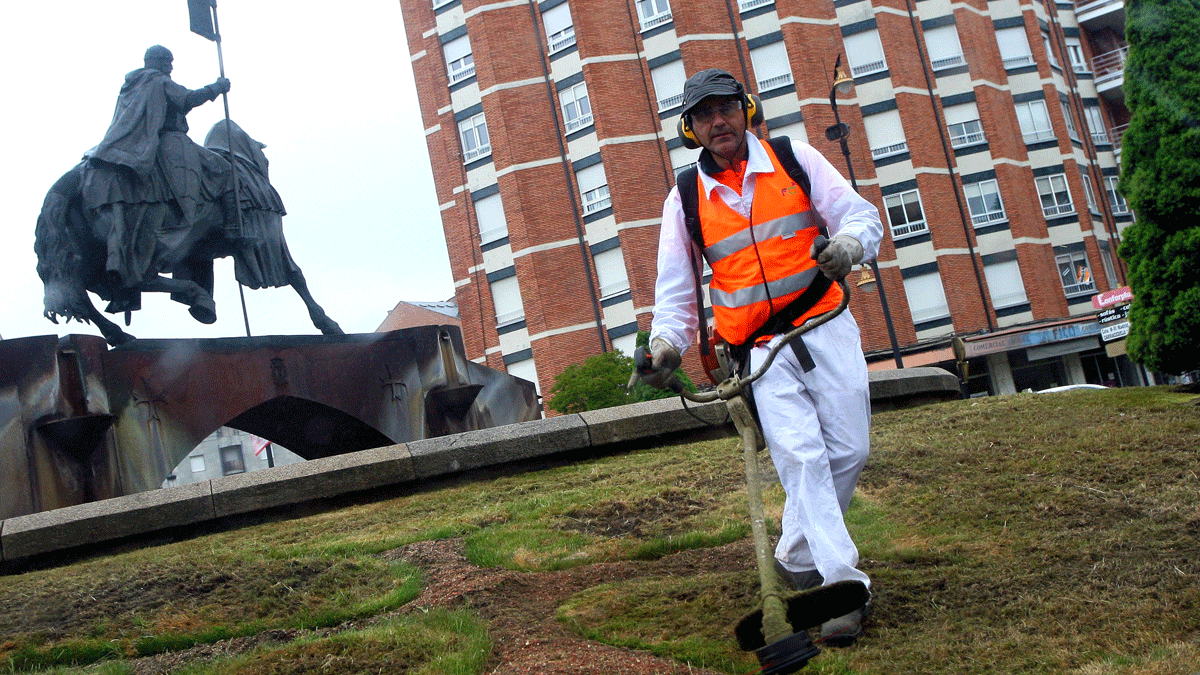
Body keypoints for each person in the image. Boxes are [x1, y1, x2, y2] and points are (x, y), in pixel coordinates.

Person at [640, 69, 883, 645]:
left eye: (726, 108)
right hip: (759, 351)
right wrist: (664, 347)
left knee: (850, 449)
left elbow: (860, 215)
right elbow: (674, 295)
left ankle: (796, 554)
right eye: (704, 115)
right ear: (690, 129)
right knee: (801, 459)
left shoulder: (792, 157)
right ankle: (843, 585)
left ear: (746, 110)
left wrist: (849, 246)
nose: (717, 122)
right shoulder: (684, 200)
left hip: (824, 323)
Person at [82, 45, 233, 302]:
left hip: (131, 144)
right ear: (158, 62)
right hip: (168, 140)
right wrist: (216, 88)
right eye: (168, 62)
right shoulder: (158, 81)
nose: (171, 67)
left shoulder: (131, 86)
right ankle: (231, 225)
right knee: (223, 169)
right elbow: (187, 99)